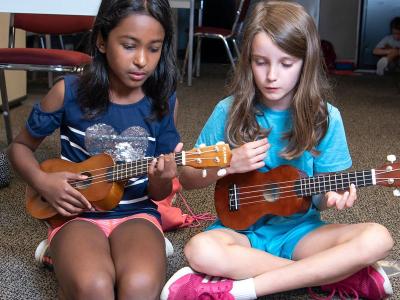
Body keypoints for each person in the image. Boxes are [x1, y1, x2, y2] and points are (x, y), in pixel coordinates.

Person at [160, 1, 394, 299]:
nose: (272, 76)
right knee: (199, 250)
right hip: (239, 233)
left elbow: (320, 201)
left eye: (286, 64)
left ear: (305, 63)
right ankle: (329, 276)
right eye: (261, 62)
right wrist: (228, 164)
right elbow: (188, 179)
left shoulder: (325, 117)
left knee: (378, 238)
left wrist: (330, 196)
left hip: (300, 233)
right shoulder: (228, 111)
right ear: (248, 61)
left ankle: (246, 288)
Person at [8, 0, 181, 299]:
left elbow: (157, 193)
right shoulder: (68, 92)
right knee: (95, 287)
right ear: (102, 40)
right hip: (77, 215)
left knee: (138, 286)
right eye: (129, 45)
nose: (142, 60)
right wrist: (42, 182)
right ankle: (60, 249)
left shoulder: (164, 102)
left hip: (137, 212)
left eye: (154, 48)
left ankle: (128, 250)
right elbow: (19, 147)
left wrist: (163, 177)